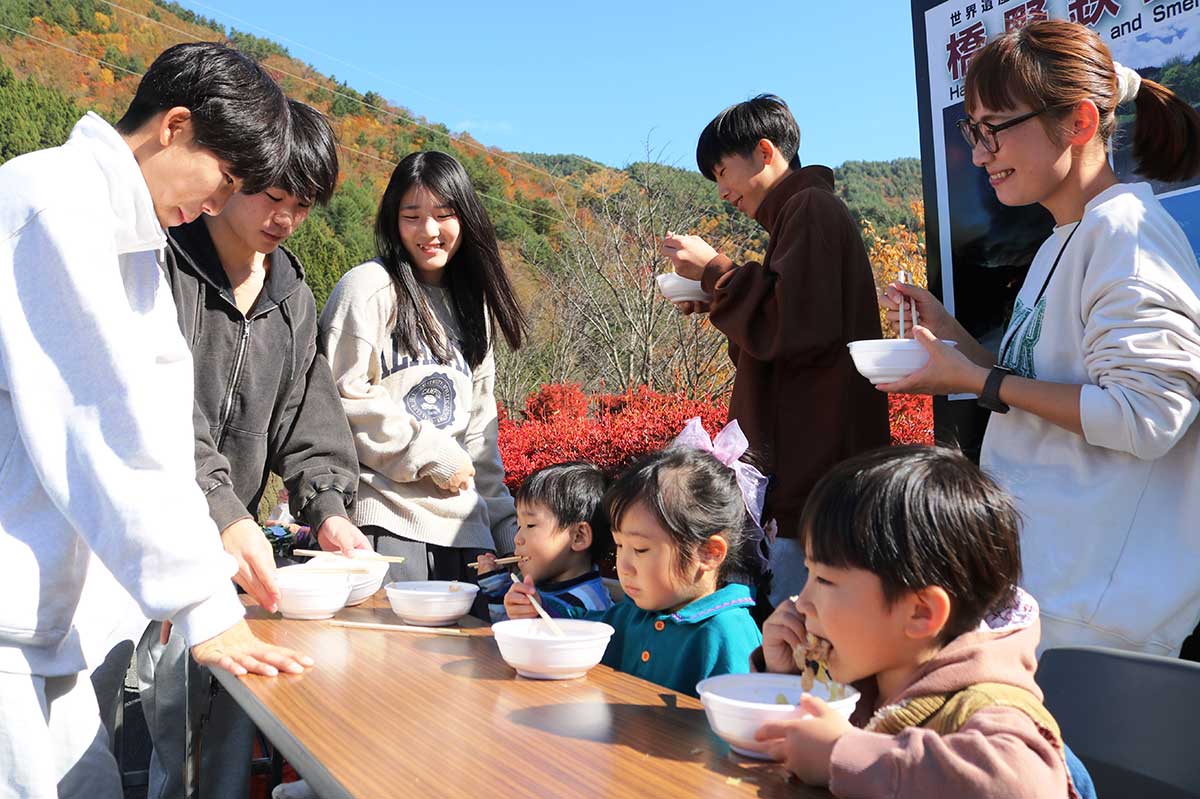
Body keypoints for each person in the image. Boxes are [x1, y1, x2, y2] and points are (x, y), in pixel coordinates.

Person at [0, 41, 312, 798]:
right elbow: (103, 420)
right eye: (225, 180)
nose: (215, 205)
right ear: (175, 126)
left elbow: (162, 424)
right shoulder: (50, 200)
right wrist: (201, 601)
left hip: (47, 617)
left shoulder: (131, 239)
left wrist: (199, 566)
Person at [878, 19, 1200, 657]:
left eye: (995, 128)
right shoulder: (1067, 236)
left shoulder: (1125, 234)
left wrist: (975, 379)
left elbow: (1150, 416)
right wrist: (956, 342)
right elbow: (1048, 386)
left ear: (1079, 123)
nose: (979, 153)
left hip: (1096, 618)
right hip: (1047, 590)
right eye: (974, 131)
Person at [136, 98, 370, 799]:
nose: (286, 219)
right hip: (142, 552)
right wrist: (222, 509)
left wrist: (330, 512)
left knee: (224, 747)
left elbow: (309, 421)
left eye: (303, 206)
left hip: (235, 567)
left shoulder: (293, 298)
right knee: (137, 742)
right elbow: (159, 415)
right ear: (232, 177)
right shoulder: (160, 265)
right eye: (273, 197)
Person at [753, 445, 1094, 797]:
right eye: (807, 574)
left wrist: (843, 754)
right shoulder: (871, 674)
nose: (802, 601)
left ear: (921, 613)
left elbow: (1022, 787)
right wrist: (787, 677)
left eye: (824, 580)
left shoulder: (986, 707)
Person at [660, 94, 890, 607]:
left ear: (765, 152)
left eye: (723, 173)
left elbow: (793, 328)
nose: (722, 192)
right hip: (813, 478)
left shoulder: (810, 209)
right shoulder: (799, 216)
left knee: (794, 644)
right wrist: (720, 299)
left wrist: (717, 271)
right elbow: (783, 339)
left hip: (816, 481)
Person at [320, 151, 527, 586]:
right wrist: (429, 452)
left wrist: (509, 533)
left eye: (444, 214)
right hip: (387, 523)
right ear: (393, 221)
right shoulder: (370, 289)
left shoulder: (476, 309)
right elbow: (339, 396)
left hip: (467, 533)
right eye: (411, 215)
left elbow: (480, 438)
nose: (429, 231)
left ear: (465, 217)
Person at [505, 447, 762, 697]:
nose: (623, 566)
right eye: (619, 545)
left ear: (708, 553)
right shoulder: (633, 614)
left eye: (640, 549)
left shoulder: (726, 634)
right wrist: (539, 608)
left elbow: (737, 727)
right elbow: (581, 630)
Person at [476, 461, 614, 622]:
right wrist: (497, 588)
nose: (517, 539)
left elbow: (558, 638)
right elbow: (506, 632)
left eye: (530, 525)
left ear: (578, 536)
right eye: (519, 526)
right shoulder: (543, 587)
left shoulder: (590, 603)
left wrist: (540, 611)